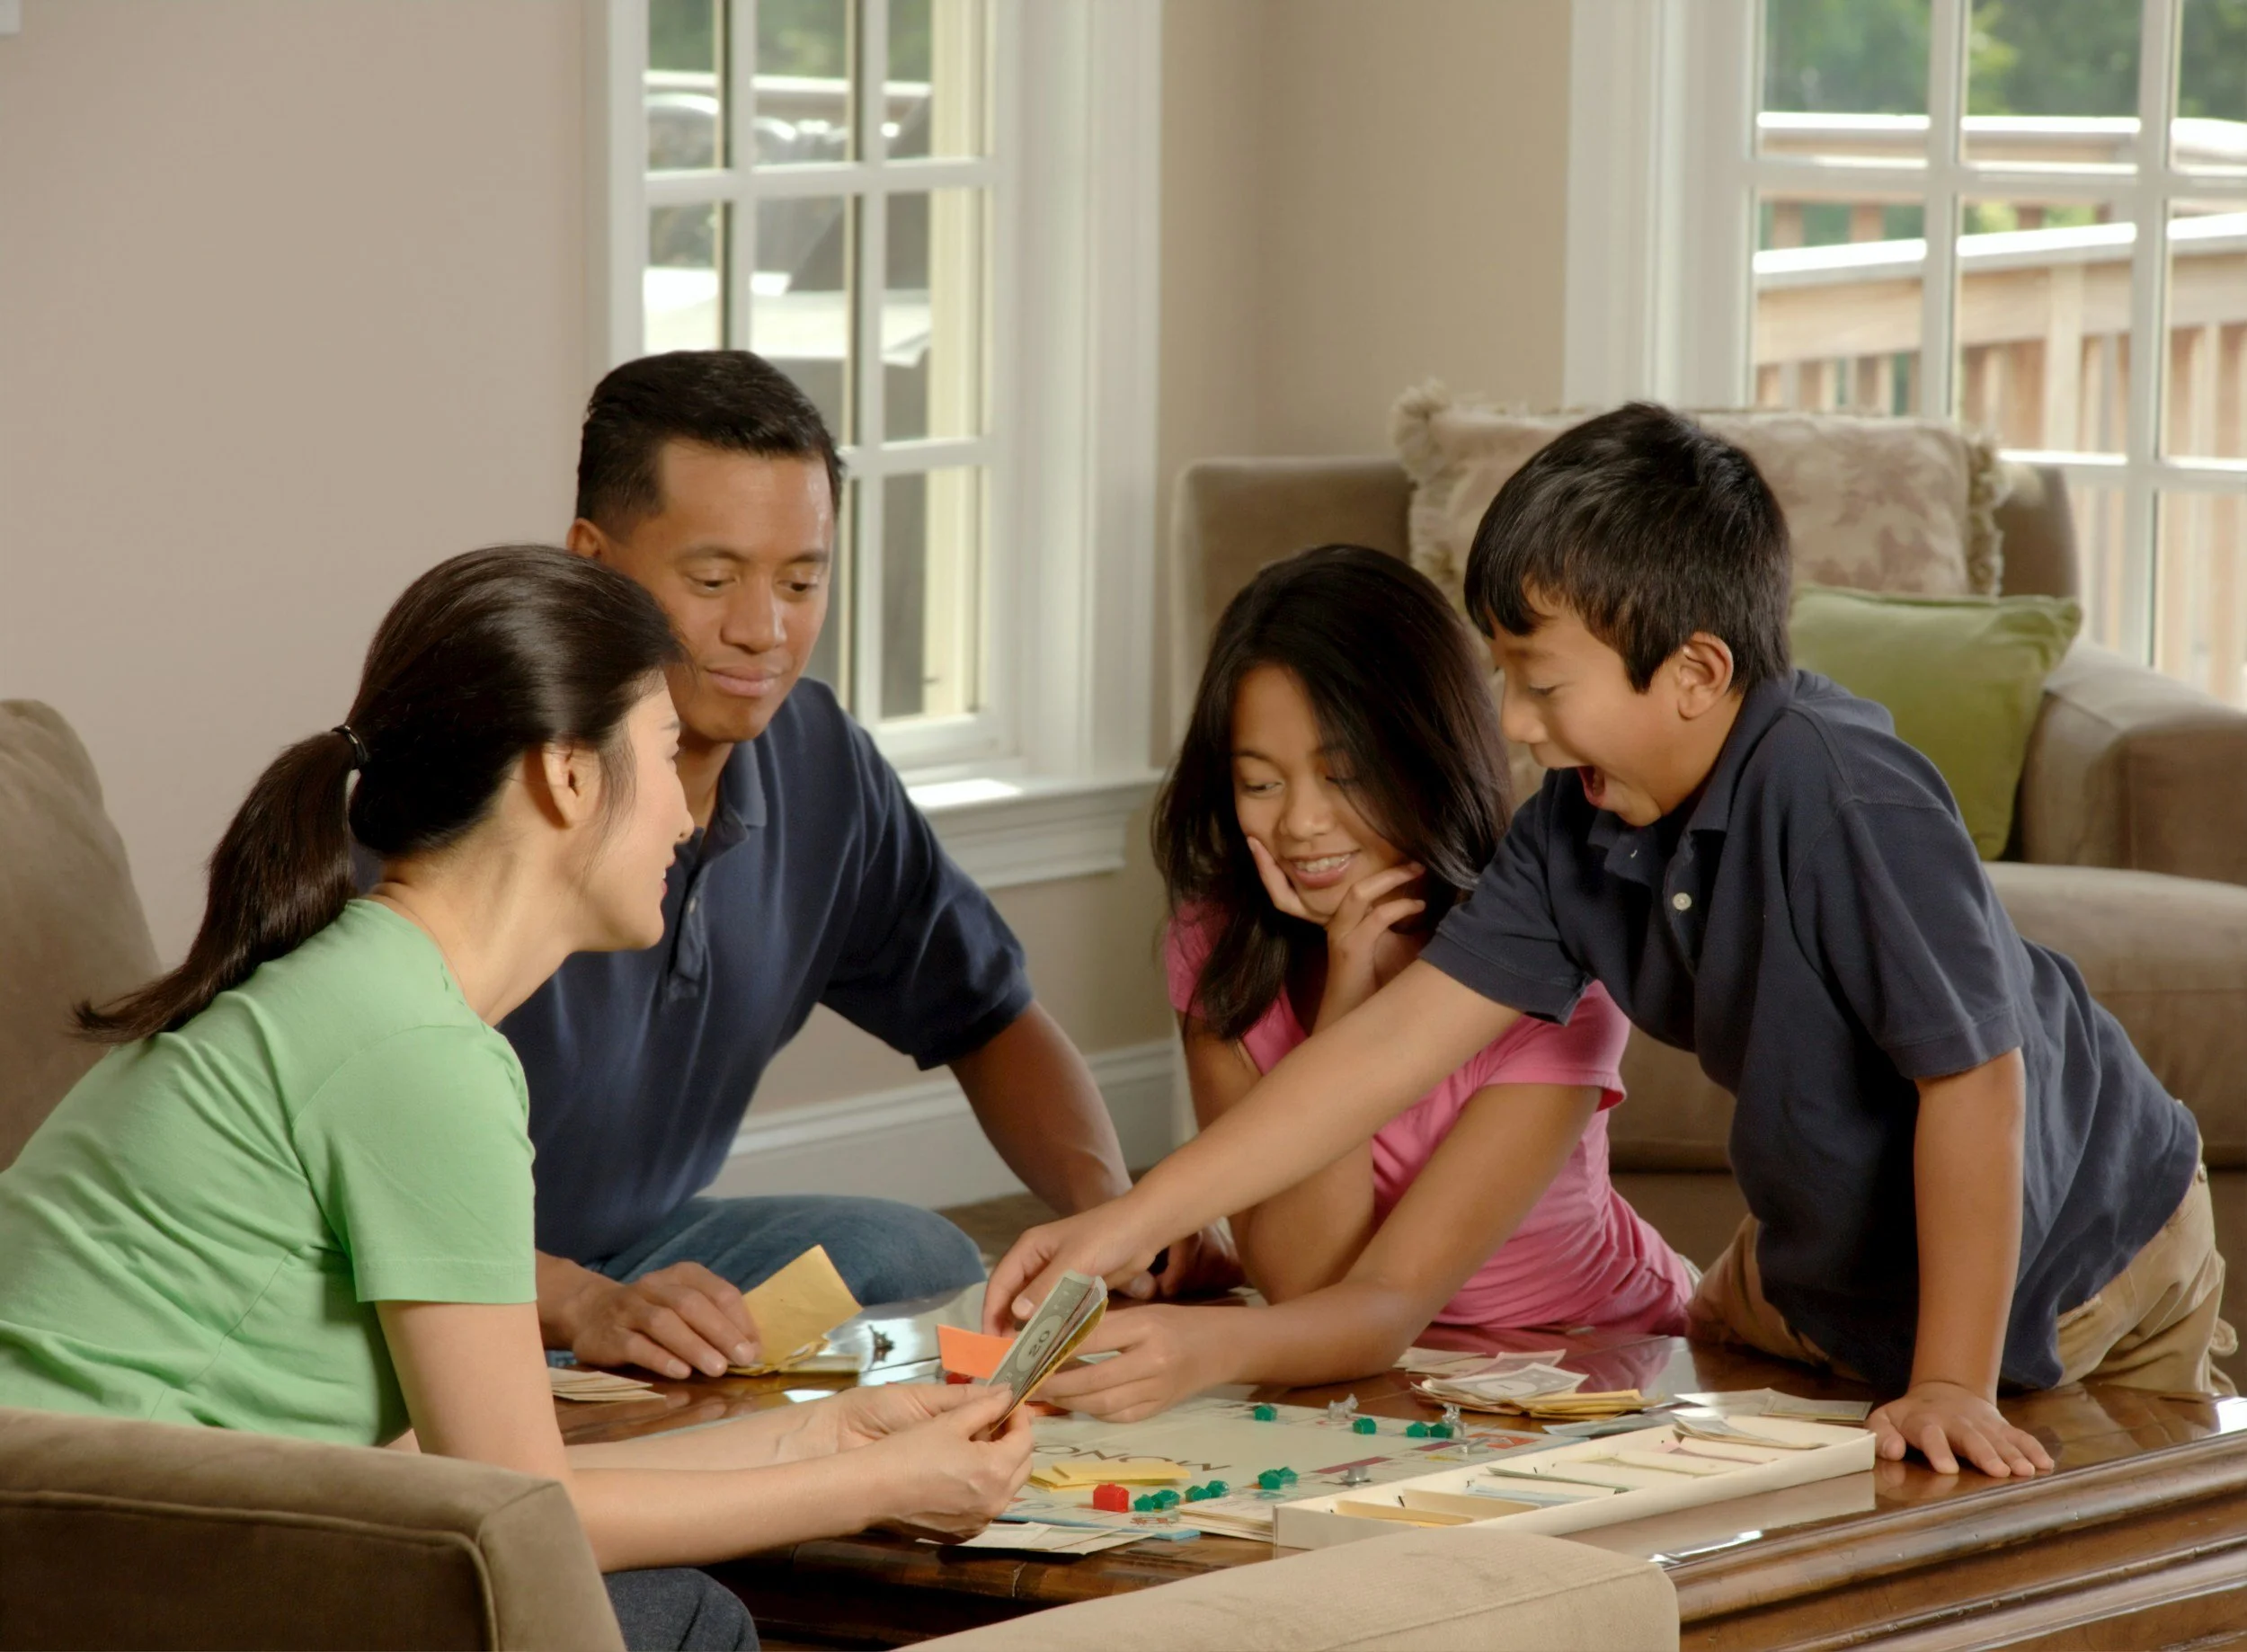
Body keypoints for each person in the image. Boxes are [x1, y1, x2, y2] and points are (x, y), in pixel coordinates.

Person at [988, 404, 2233, 1480]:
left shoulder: (1845, 793)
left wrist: (1954, 1378)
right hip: (1832, 1264)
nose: (1518, 727)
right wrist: (1126, 1221)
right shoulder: (1572, 834)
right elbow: (1376, 1059)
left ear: (1694, 670)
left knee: (2063, 1541)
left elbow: (1974, 1078)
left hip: (2078, 1243)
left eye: (1541, 682)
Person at [0, 546, 1035, 1650]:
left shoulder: (360, 989)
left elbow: (468, 1471)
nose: (689, 820)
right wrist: (873, 1488)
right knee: (679, 1615)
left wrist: (839, 1437)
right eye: (669, 752)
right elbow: (520, 1511)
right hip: (100, 1585)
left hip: (101, 1551)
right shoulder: (416, 1052)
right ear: (570, 775)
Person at [515, 351, 1232, 1384]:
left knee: (914, 1254)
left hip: (638, 1247)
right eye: (712, 580)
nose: (762, 630)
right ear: (592, 561)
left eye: (801, 580)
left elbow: (986, 1013)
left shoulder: (816, 760)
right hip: (432, 1280)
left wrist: (1107, 1215)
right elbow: (340, 1184)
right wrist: (576, 1300)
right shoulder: (488, 782)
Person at [1041, 546, 1692, 1422]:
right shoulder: (1220, 944)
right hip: (1366, 1366)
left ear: (1428, 753)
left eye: (1343, 774)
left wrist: (1201, 1342)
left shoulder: (1554, 963)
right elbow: (1302, 1277)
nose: (1302, 822)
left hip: (1586, 1351)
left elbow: (1382, 1298)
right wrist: (1345, 991)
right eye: (1260, 782)